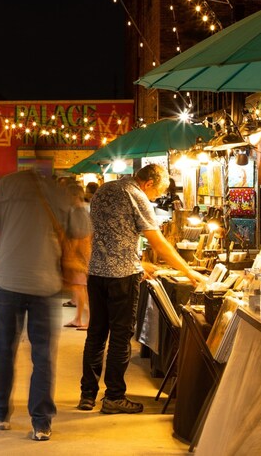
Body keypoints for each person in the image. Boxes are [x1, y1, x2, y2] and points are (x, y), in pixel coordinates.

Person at [80, 163, 206, 415]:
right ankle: (114, 397)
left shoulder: (104, 190)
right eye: (157, 192)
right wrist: (188, 271)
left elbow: (107, 235)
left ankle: (87, 395)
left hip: (97, 273)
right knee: (119, 337)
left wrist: (137, 261)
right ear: (148, 183)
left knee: (95, 334)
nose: (157, 197)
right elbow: (158, 242)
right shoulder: (136, 195)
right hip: (122, 277)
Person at [0, 168, 71, 441]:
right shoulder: (57, 190)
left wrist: (2, 264)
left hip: (9, 282)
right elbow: (79, 234)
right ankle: (41, 422)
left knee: (3, 350)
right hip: (46, 284)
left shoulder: (7, 185)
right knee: (43, 355)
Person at [62, 184, 92, 330]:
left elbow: (78, 236)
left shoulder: (78, 212)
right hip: (83, 255)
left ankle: (88, 320)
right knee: (80, 288)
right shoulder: (82, 211)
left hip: (80, 256)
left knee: (80, 288)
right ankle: (79, 318)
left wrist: (69, 255)